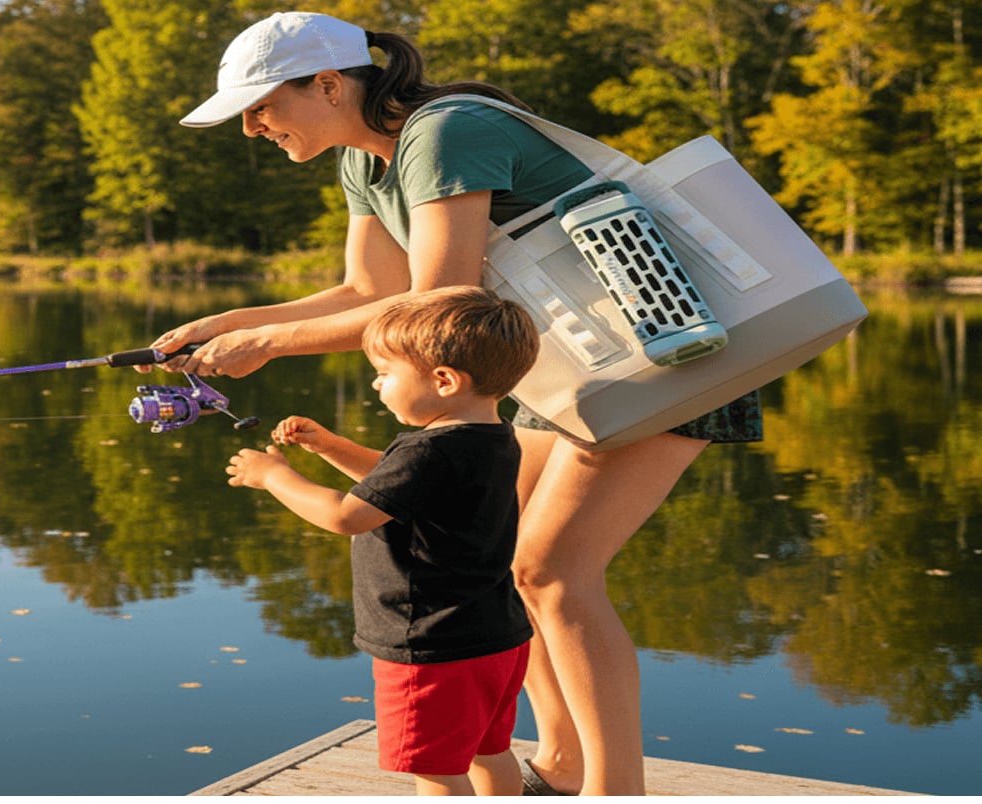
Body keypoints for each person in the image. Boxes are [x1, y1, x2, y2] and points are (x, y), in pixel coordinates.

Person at [159, 11, 764, 795]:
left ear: (331, 84)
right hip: (575, 369)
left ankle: (618, 791)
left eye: (260, 104)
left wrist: (271, 346)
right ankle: (558, 765)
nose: (251, 127)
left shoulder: (444, 134)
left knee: (553, 573)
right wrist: (231, 324)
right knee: (509, 566)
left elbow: (441, 299)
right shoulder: (363, 164)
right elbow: (370, 291)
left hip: (663, 356)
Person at [225, 286, 539, 796]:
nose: (376, 385)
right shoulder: (489, 437)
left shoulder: (426, 451)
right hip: (494, 635)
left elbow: (347, 515)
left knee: (437, 769)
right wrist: (331, 446)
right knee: (489, 751)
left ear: (443, 380)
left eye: (385, 373)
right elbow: (398, 487)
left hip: (432, 643)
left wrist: (274, 477)